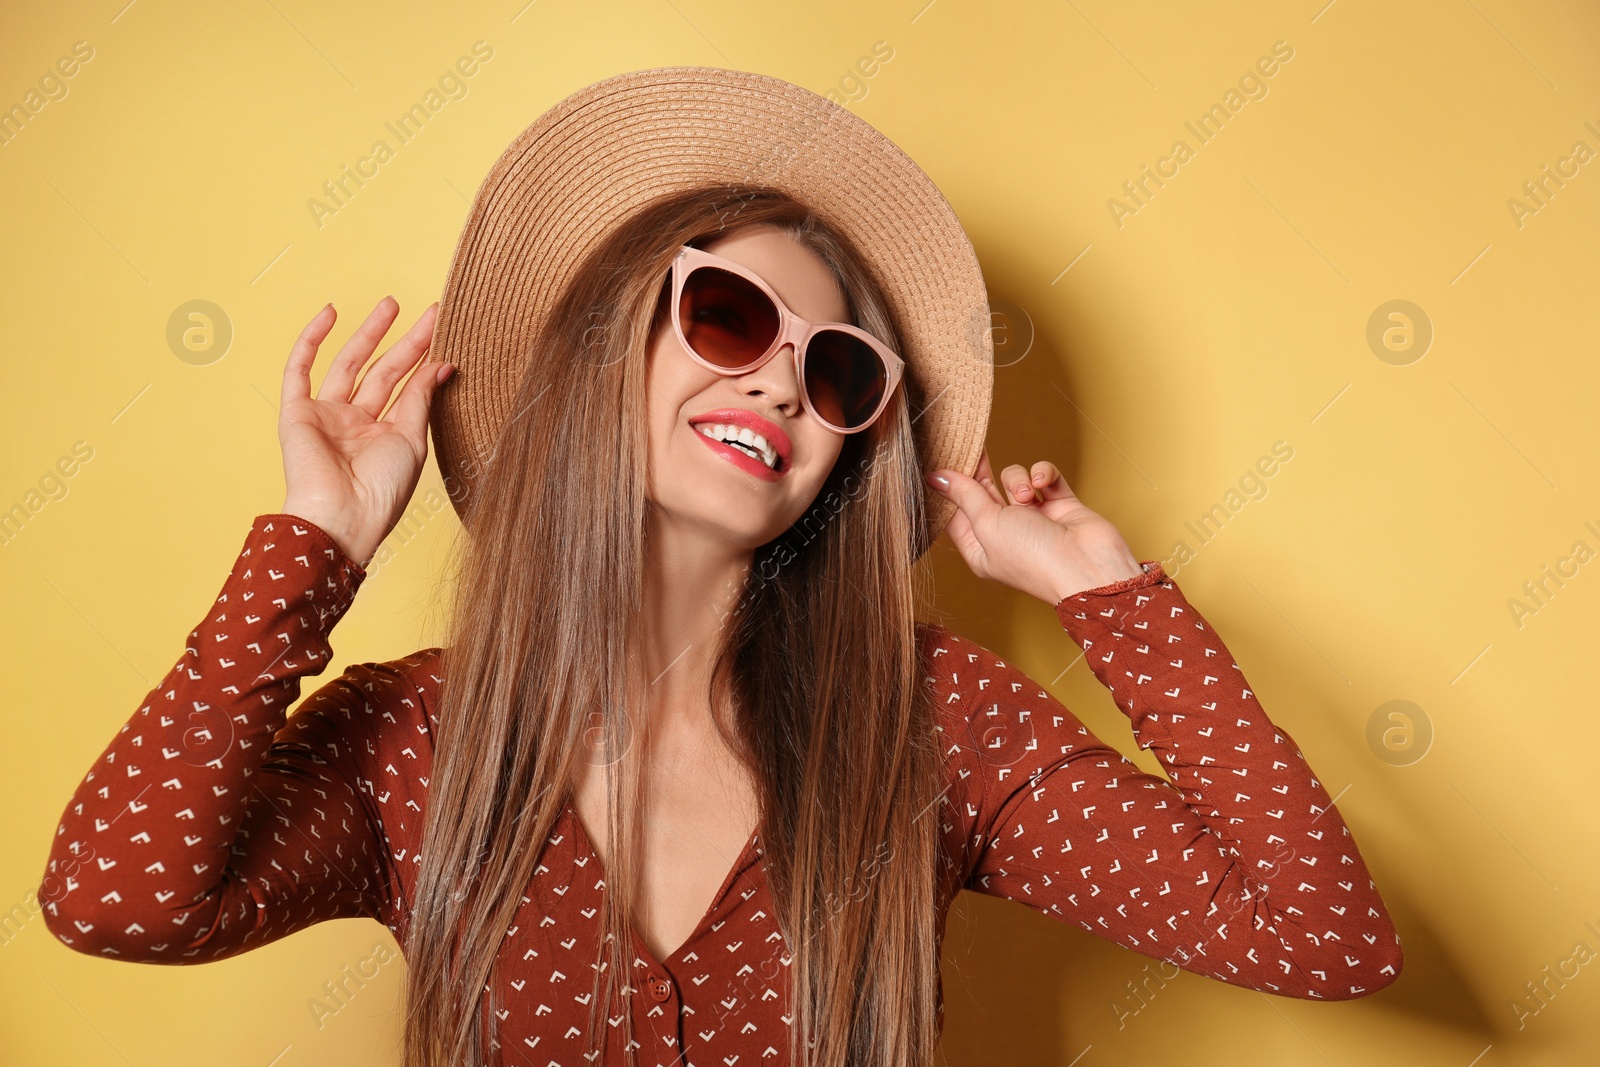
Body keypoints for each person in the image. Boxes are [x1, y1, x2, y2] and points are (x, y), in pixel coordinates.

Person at [38, 67, 1402, 1067]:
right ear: (605, 346)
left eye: (841, 370)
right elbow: (111, 900)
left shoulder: (935, 724)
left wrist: (1111, 601)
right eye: (731, 315)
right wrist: (314, 549)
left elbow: (1319, 937)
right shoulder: (419, 739)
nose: (784, 385)